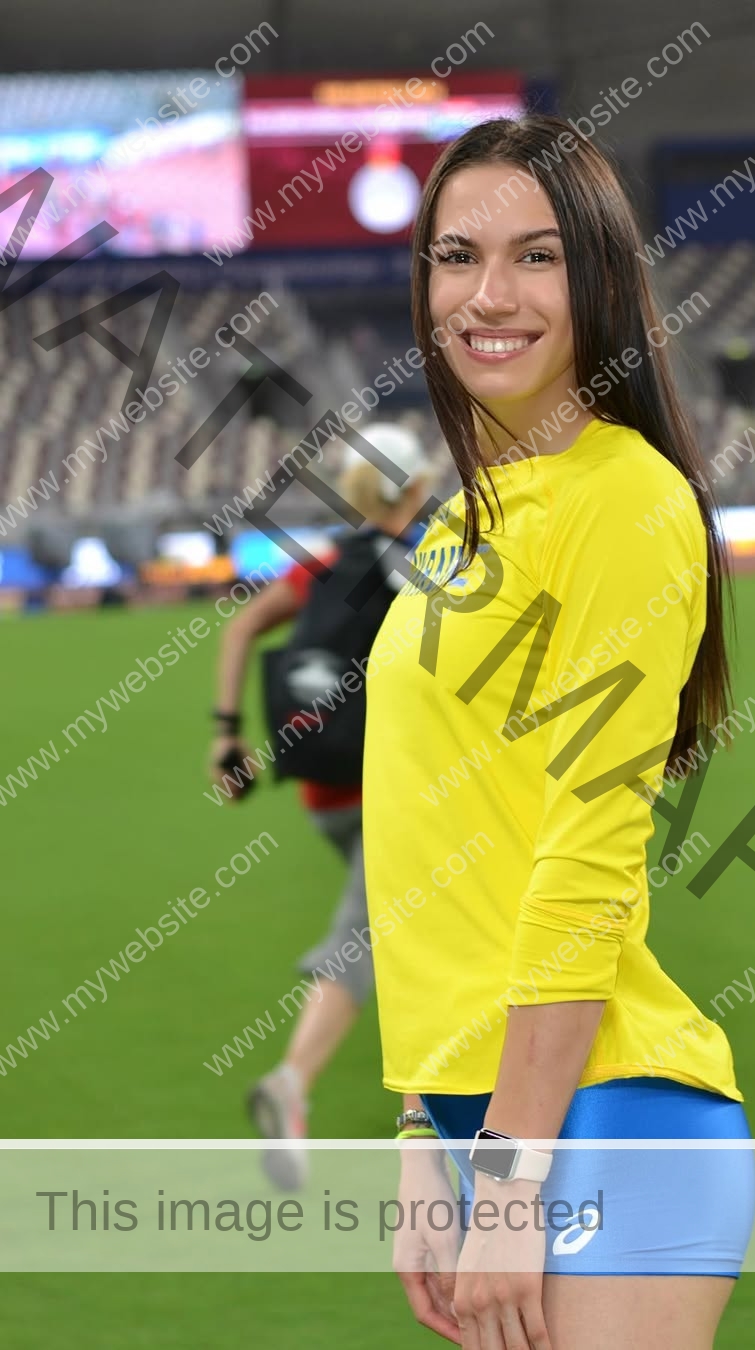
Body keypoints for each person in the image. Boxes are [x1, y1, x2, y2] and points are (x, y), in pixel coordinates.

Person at [361, 116, 755, 1350]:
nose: (491, 294)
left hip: (606, 1118)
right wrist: (427, 1139)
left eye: (537, 257)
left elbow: (586, 847)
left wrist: (515, 1180)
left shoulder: (626, 498)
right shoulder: (454, 530)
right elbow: (436, 846)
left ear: (599, 282)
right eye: (456, 255)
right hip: (495, 1116)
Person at [208, 423, 435, 1190]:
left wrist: (226, 735)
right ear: (414, 485)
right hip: (399, 793)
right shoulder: (423, 567)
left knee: (416, 937)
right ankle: (292, 1083)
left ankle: (428, 1105)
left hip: (322, 791)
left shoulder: (325, 567)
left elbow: (241, 627)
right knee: (367, 936)